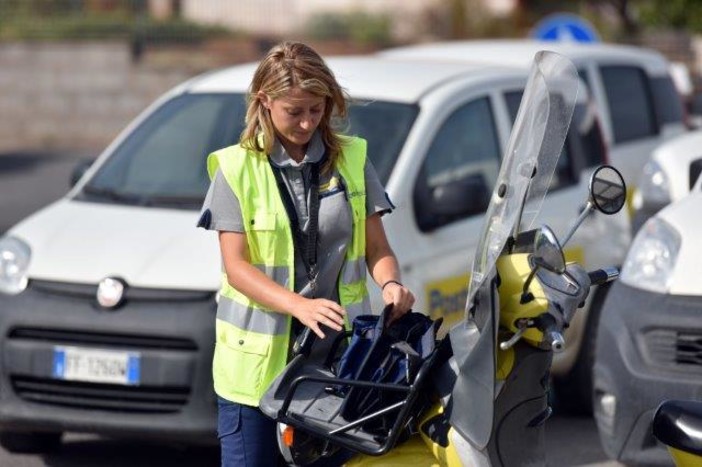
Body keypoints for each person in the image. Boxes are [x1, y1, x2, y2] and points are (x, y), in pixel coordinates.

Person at [197, 41, 415, 467]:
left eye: (316, 109)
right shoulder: (235, 169)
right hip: (255, 371)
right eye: (293, 111)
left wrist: (391, 283)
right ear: (264, 101)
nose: (307, 122)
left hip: (337, 363)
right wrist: (299, 306)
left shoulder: (353, 159)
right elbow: (236, 267)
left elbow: (378, 248)